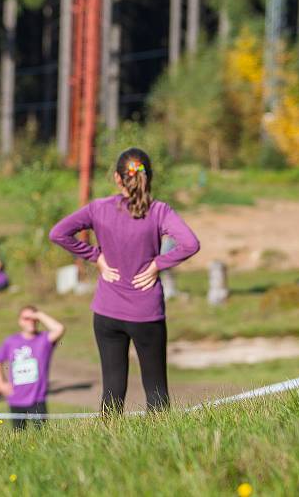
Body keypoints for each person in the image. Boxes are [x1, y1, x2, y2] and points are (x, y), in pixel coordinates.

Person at [49, 147, 200, 414]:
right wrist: (157, 265)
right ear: (149, 177)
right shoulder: (159, 211)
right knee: (156, 391)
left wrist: (96, 257)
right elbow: (190, 244)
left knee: (112, 392)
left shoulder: (99, 209)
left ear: (118, 179)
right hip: (146, 314)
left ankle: (108, 448)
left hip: (107, 313)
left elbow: (58, 233)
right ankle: (160, 449)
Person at [0, 306, 65, 430]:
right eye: (26, 318)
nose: (30, 321)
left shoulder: (44, 340)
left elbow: (59, 329)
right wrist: (1, 383)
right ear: (20, 321)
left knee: (43, 435)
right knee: (19, 437)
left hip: (37, 398)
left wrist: (39, 315)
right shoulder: (11, 341)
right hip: (15, 398)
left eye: (33, 318)